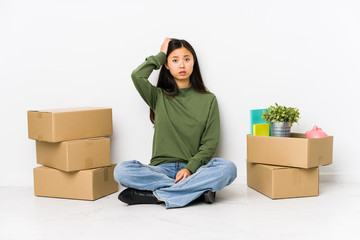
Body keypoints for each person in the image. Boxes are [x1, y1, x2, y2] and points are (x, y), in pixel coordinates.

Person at [114, 37, 237, 209]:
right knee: (121, 171)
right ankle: (196, 191)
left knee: (228, 168)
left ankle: (157, 196)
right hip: (160, 171)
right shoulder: (158, 96)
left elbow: (209, 144)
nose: (181, 65)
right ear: (167, 64)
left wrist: (189, 169)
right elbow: (137, 75)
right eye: (174, 60)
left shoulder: (209, 100)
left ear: (194, 62)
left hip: (194, 169)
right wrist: (161, 55)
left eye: (187, 59)